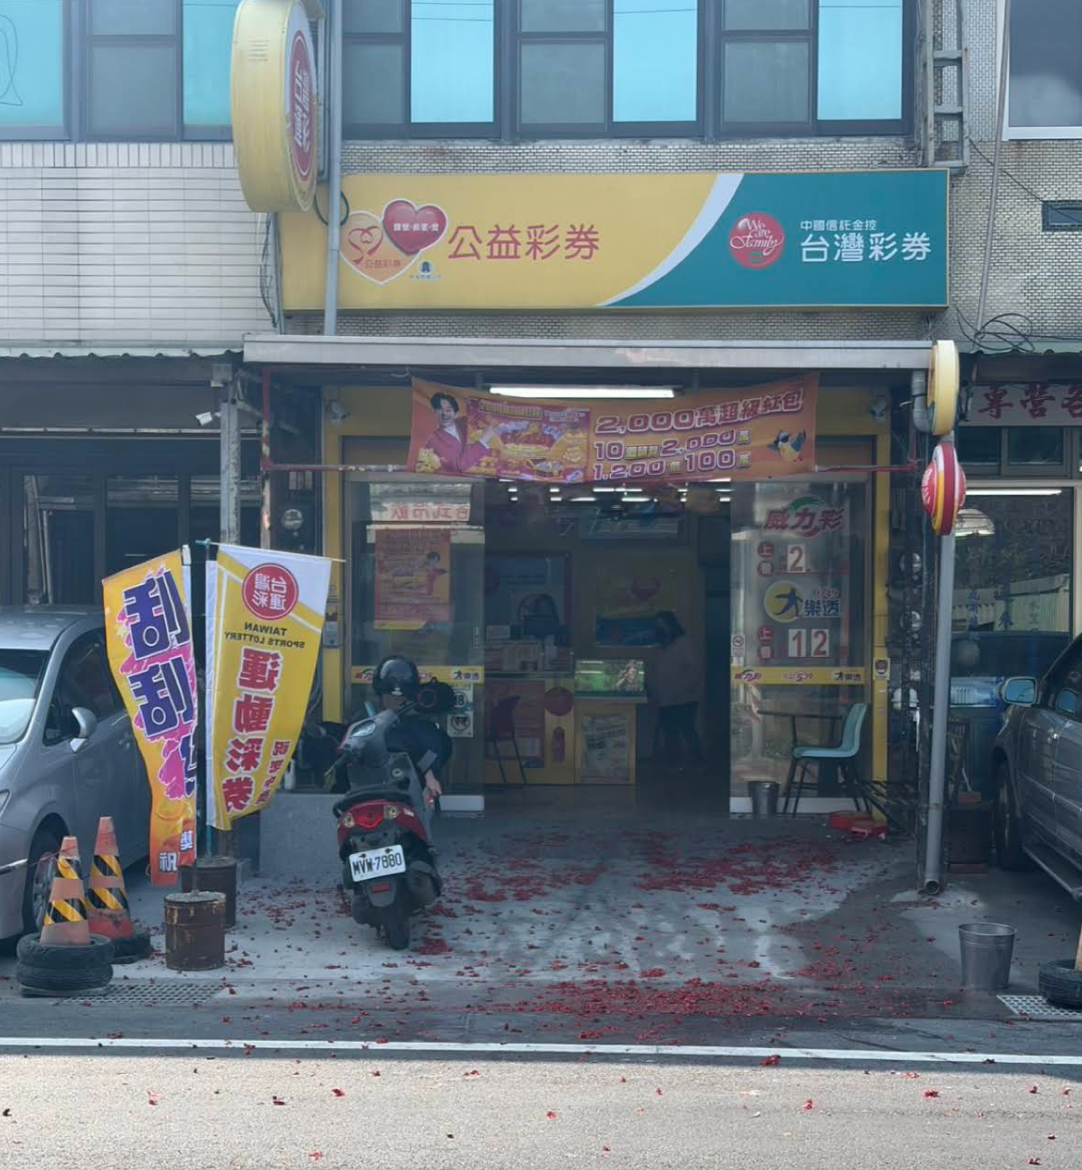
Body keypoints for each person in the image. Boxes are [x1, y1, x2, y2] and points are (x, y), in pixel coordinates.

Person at [371, 655, 450, 811]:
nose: (394, 701)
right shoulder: (365, 720)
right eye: (389, 696)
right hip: (367, 789)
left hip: (408, 795)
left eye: (400, 698)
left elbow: (429, 753)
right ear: (380, 693)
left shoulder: (424, 729)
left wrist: (430, 776)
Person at [648, 611, 703, 767]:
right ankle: (674, 764)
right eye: (657, 626)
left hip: (684, 698)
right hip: (665, 699)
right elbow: (654, 672)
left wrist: (682, 691)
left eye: (662, 625)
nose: (659, 628)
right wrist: (654, 691)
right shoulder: (659, 648)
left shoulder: (684, 643)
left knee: (687, 730)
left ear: (671, 625)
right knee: (669, 733)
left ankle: (698, 763)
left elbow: (694, 670)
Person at [423, 392, 502, 474]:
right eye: (439, 410)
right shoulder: (433, 441)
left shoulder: (464, 423)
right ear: (434, 412)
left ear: (456, 413)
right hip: (457, 480)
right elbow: (459, 465)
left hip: (488, 472)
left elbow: (483, 415)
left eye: (448, 410)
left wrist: (493, 405)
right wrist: (485, 438)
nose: (444, 414)